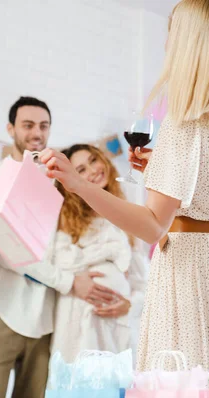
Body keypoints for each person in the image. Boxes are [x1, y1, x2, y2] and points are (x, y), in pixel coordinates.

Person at [39, 0, 209, 397]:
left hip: (190, 267)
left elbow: (151, 224)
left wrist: (79, 185)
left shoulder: (185, 118)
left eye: (172, 29)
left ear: (187, 39)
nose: (166, 41)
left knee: (178, 381)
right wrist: (163, 170)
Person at [0, 97, 119, 398]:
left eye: (43, 126)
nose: (36, 133)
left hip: (48, 321)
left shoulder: (59, 182)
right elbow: (4, 250)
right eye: (28, 125)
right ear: (10, 128)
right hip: (1, 310)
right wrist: (70, 282)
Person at [48, 144, 147, 361]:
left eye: (93, 160)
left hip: (117, 326)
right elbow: (57, 260)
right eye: (81, 170)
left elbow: (144, 284)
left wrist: (130, 305)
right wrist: (110, 252)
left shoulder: (127, 216)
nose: (92, 171)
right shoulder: (66, 218)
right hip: (79, 321)